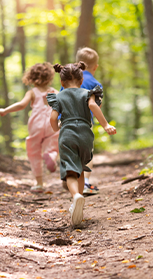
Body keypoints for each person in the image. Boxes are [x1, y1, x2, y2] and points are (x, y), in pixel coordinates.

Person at [47, 62, 116, 226]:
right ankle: (79, 201)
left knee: (70, 170)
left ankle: (75, 197)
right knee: (81, 167)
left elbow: (52, 118)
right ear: (81, 80)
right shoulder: (88, 93)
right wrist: (106, 125)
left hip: (67, 135)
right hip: (85, 134)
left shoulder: (59, 96)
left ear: (61, 83)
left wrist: (56, 129)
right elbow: (93, 106)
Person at [0, 63, 59, 193]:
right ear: (50, 77)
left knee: (34, 151)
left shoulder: (32, 93)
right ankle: (52, 155)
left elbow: (21, 105)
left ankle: (39, 183)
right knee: (53, 144)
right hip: (51, 123)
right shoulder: (55, 92)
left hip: (36, 124)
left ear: (31, 78)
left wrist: (5, 110)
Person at [61, 47, 102, 195]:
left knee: (70, 152)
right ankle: (84, 182)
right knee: (87, 154)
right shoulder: (96, 84)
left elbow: (61, 103)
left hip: (66, 125)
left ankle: (70, 177)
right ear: (95, 66)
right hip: (85, 124)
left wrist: (59, 122)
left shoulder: (66, 83)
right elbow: (96, 106)